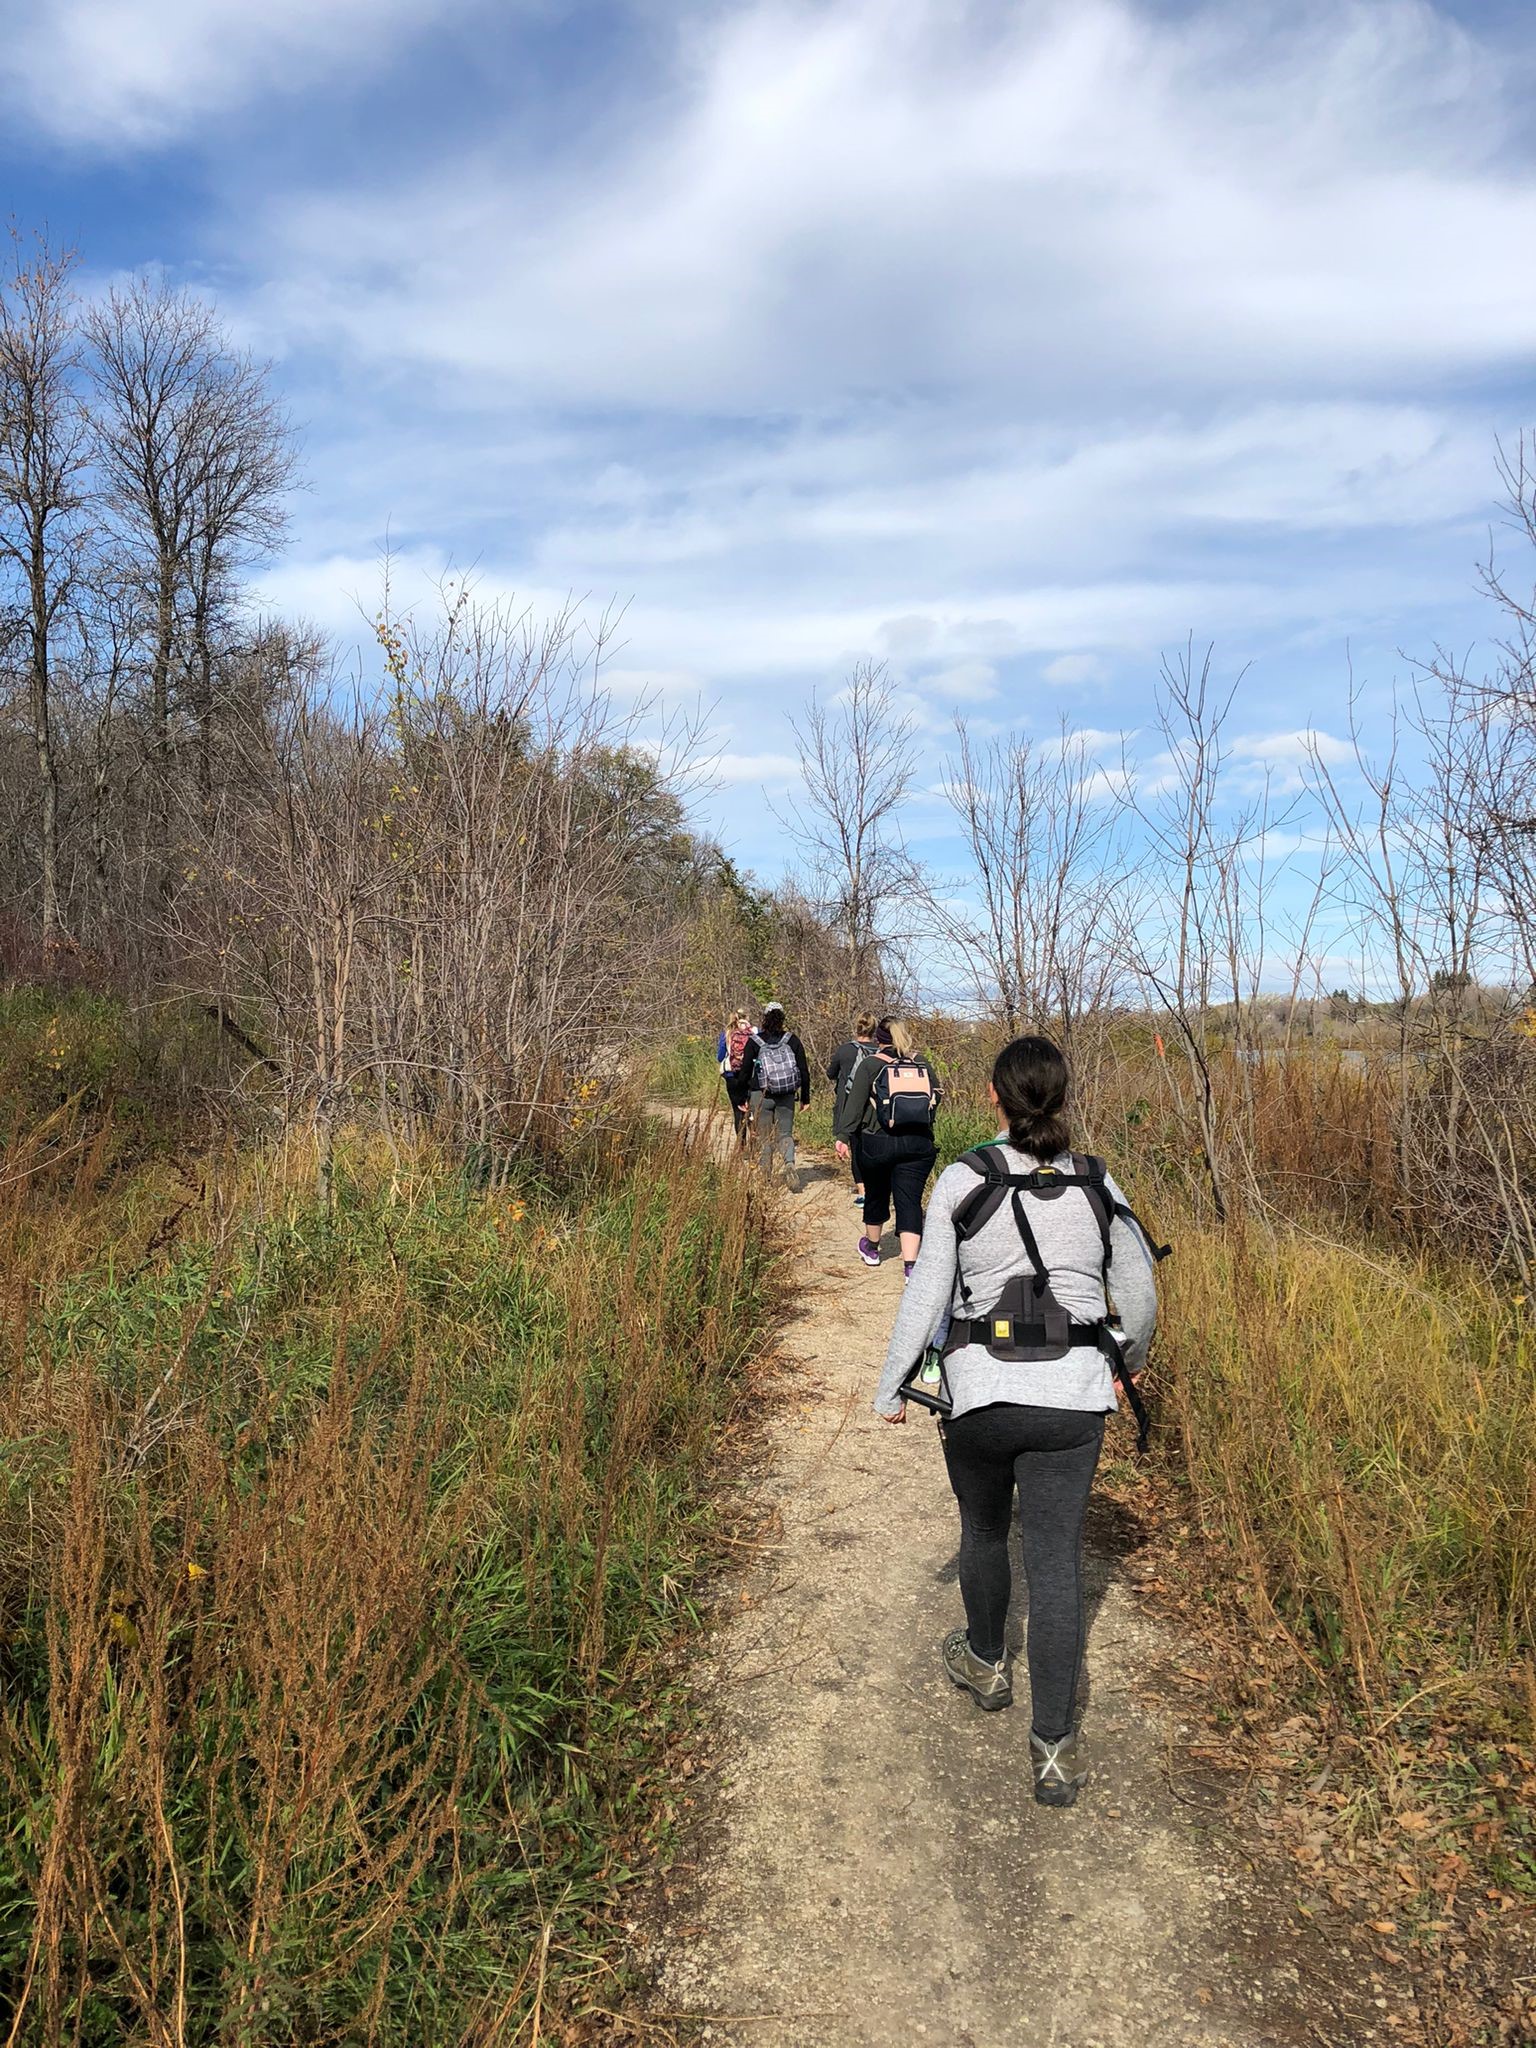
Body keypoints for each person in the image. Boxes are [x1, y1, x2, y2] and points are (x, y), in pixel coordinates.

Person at [869, 1035, 1158, 1808]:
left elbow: (927, 1293)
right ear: (1062, 1097)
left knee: (985, 1530)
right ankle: (1054, 1750)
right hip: (1073, 1401)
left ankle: (987, 1661)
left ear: (993, 1096)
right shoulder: (1098, 1181)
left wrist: (892, 1386)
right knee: (1056, 1565)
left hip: (981, 1397)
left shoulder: (963, 1179)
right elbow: (1140, 1291)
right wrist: (1125, 1358)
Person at [833, 1017, 940, 1277]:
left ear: (879, 1039)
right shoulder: (921, 1062)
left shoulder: (870, 1065)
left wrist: (843, 1137)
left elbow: (854, 1105)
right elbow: (935, 1098)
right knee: (910, 1200)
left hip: (877, 1142)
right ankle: (910, 1265)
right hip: (918, 1143)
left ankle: (872, 1248)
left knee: (876, 1193)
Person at [743, 1001, 811, 1187]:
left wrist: (742, 1097)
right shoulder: (792, 1040)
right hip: (786, 1094)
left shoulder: (755, 1041)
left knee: (764, 1137)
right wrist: (805, 1097)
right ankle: (789, 1164)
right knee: (785, 1134)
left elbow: (745, 1072)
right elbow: (804, 1071)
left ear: (765, 1018)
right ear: (782, 1019)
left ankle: (766, 1176)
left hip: (761, 1094)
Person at [825, 1011, 878, 1209]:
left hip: (849, 1105)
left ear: (857, 1028)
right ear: (874, 1030)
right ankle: (876, 1188)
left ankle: (863, 1193)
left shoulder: (845, 1050)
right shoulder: (881, 1052)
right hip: (875, 1108)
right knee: (873, 1147)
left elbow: (831, 1073)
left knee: (856, 1149)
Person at [717, 1008, 755, 1147]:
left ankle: (741, 1145)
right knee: (752, 1109)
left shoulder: (727, 1034)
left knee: (738, 1110)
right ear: (747, 1017)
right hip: (750, 1075)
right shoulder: (754, 1032)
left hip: (732, 1076)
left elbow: (720, 1057)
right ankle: (754, 1143)